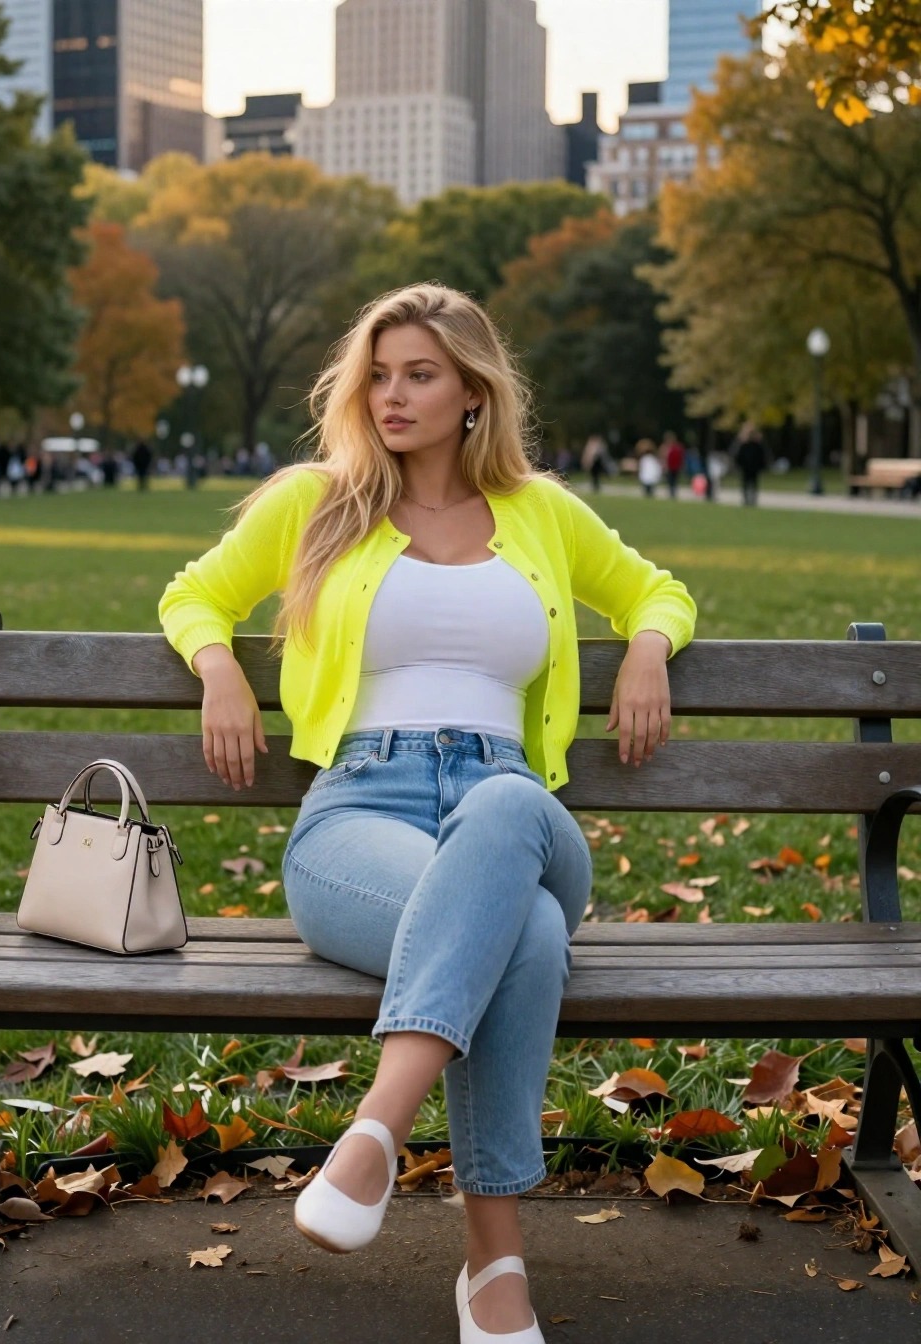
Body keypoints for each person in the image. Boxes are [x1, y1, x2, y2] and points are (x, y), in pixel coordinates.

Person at [158, 284, 696, 1344]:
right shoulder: (319, 501)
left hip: (515, 815)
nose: (390, 394)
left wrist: (645, 649)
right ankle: (494, 1262)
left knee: (502, 808)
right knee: (525, 932)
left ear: (471, 393)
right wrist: (220, 670)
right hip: (360, 811)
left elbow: (656, 589)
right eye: (378, 372)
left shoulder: (542, 512)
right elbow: (193, 593)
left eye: (419, 374)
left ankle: (372, 1134)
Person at [731, 423, 767, 506]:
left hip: (754, 467)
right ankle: (746, 500)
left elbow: (762, 455)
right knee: (745, 484)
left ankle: (753, 500)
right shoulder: (742, 443)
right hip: (745, 467)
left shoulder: (757, 444)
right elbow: (735, 453)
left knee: (753, 484)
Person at [659, 430, 686, 499]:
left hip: (674, 467)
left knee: (673, 481)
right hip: (671, 467)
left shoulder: (675, 447)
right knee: (671, 481)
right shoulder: (669, 447)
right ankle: (672, 493)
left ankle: (672, 493)